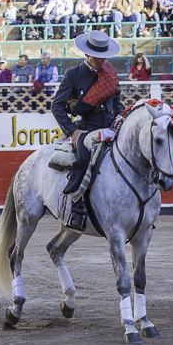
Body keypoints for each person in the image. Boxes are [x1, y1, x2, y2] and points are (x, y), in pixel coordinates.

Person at [51, 30, 123, 230]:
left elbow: (118, 103)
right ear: (87, 54)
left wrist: (120, 117)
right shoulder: (73, 75)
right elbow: (56, 106)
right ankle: (77, 206)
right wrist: (73, 130)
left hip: (110, 125)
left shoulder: (109, 72)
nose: (102, 60)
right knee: (83, 158)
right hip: (87, 127)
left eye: (104, 56)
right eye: (98, 56)